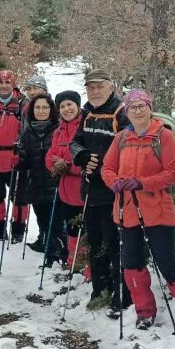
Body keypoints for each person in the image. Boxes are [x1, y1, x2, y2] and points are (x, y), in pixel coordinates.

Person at [100, 89, 175, 329]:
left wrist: (142, 183)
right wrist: (114, 182)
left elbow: (172, 172)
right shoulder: (121, 138)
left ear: (149, 108)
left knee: (167, 262)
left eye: (141, 106)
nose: (137, 111)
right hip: (127, 210)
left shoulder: (163, 137)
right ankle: (145, 310)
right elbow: (106, 168)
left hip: (157, 210)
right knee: (132, 262)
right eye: (132, 107)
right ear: (126, 111)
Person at [69, 69, 130, 317]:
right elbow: (75, 143)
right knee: (95, 242)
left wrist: (103, 165)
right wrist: (82, 157)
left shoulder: (121, 113)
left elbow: (130, 149)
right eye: (90, 87)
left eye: (99, 86)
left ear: (110, 86)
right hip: (90, 190)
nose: (94, 91)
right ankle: (99, 288)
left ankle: (120, 292)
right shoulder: (86, 114)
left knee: (114, 243)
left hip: (113, 192)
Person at [0, 70, 29, 243]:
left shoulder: (23, 105)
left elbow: (30, 129)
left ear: (13, 84)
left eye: (7, 83)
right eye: (0, 83)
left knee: (19, 197)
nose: (4, 86)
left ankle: (18, 228)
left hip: (14, 157)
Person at [17, 93, 62, 261]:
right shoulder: (28, 133)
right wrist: (17, 159)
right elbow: (25, 163)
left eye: (45, 107)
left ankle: (60, 253)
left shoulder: (58, 129)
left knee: (57, 223)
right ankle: (50, 251)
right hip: (36, 185)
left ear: (51, 110)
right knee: (43, 221)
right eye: (37, 107)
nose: (41, 111)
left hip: (55, 184)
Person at [46, 90, 87, 275]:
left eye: (70, 104)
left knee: (85, 230)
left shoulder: (86, 126)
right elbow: (49, 156)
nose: (66, 109)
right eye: (62, 106)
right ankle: (73, 262)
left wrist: (68, 166)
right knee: (71, 229)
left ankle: (87, 266)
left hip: (84, 191)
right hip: (65, 192)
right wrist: (55, 165)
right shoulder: (59, 131)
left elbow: (89, 159)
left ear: (78, 105)